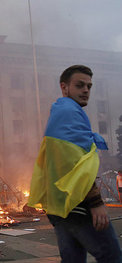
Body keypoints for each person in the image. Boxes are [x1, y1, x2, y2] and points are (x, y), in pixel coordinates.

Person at [27, 65, 121, 262]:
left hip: (60, 206)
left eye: (89, 86)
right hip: (78, 204)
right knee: (111, 256)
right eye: (80, 85)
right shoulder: (70, 112)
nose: (86, 90)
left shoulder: (60, 111)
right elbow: (75, 163)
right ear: (64, 87)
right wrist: (95, 202)